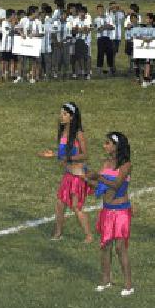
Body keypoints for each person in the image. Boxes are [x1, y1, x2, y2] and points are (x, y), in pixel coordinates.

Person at [84, 132, 135, 296]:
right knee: (105, 246)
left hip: (121, 211)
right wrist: (86, 179)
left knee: (120, 248)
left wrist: (98, 176)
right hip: (107, 210)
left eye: (107, 143)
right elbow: (100, 187)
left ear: (117, 146)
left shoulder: (126, 165)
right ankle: (106, 280)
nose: (104, 146)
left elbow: (116, 184)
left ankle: (128, 285)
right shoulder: (106, 163)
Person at [36, 102, 94, 243]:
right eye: (61, 113)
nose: (61, 116)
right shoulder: (62, 133)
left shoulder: (78, 134)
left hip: (78, 176)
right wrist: (53, 154)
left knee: (76, 206)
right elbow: (63, 155)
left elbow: (85, 155)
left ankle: (89, 236)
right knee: (60, 204)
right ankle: (58, 233)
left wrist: (67, 158)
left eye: (65, 114)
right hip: (68, 174)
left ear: (72, 117)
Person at [94, 4, 116, 77]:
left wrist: (104, 27)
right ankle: (99, 70)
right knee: (100, 54)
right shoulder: (96, 19)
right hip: (100, 39)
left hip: (108, 38)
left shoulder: (109, 18)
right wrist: (105, 26)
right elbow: (97, 29)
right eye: (99, 10)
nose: (101, 11)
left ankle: (110, 69)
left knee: (109, 54)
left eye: (102, 9)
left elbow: (112, 27)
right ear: (97, 11)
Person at [0, 9, 17, 84]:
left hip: (11, 46)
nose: (15, 17)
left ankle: (11, 75)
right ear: (10, 15)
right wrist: (13, 25)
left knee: (12, 60)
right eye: (14, 15)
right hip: (5, 47)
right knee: (3, 62)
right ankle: (1, 76)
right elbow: (10, 32)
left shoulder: (12, 23)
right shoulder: (4, 23)